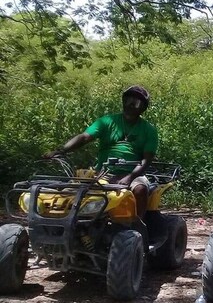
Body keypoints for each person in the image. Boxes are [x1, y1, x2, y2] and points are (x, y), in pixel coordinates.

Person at [43, 85, 158, 220]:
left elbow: (147, 159)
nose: (131, 105)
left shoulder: (149, 130)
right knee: (72, 192)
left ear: (142, 108)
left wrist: (130, 177)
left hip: (133, 173)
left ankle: (138, 224)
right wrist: (61, 151)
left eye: (137, 102)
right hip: (102, 172)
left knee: (140, 189)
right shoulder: (107, 121)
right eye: (129, 100)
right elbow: (84, 137)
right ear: (123, 101)